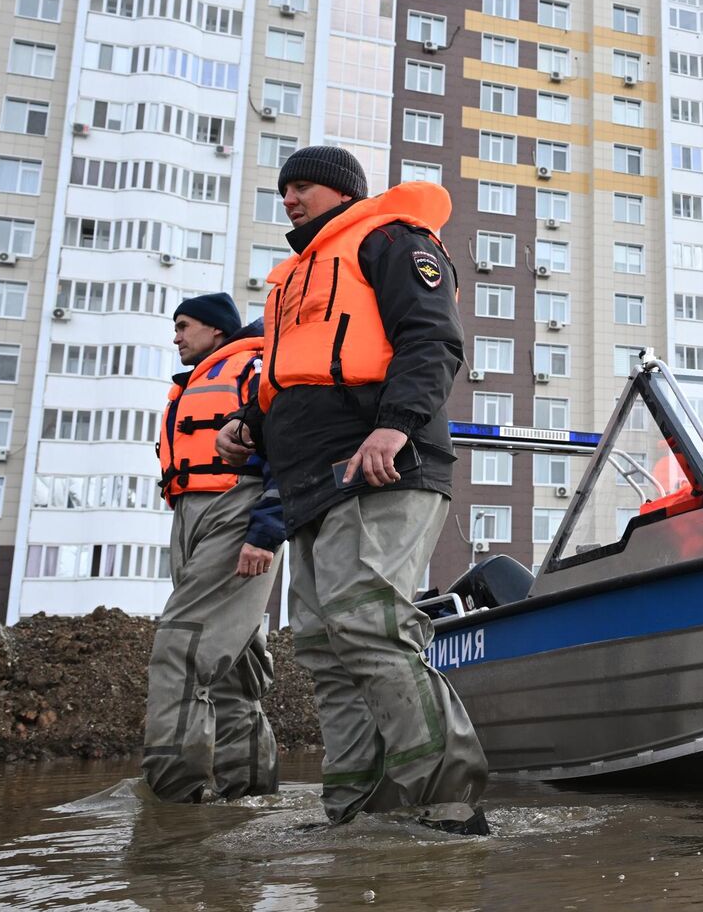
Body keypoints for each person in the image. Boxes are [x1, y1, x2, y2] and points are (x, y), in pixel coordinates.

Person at [217, 146, 488, 831]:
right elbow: (293, 373)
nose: (289, 199)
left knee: (369, 624)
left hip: (383, 465)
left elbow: (432, 339)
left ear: (341, 192)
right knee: (324, 645)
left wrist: (394, 426)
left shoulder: (391, 241)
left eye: (302, 187)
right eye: (283, 190)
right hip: (312, 482)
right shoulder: (293, 281)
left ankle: (445, 803)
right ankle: (356, 810)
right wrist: (249, 423)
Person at [141, 294, 284, 803]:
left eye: (184, 325)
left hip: (234, 510)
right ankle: (249, 796)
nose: (176, 336)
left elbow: (285, 446)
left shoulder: (252, 367)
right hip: (192, 517)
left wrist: (265, 530)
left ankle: (173, 803)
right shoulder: (196, 382)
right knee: (230, 665)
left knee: (182, 649)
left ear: (218, 330)